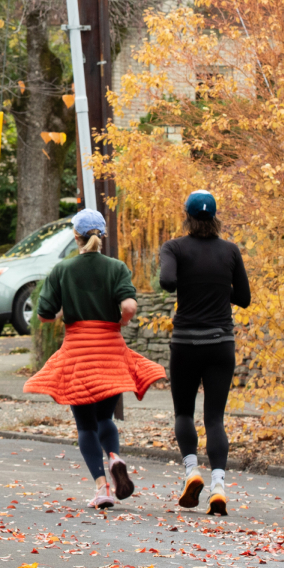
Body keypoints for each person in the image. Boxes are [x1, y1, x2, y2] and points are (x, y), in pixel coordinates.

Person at [23, 209, 166, 509]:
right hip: (110, 351)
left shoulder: (63, 270)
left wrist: (63, 313)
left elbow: (44, 315)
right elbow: (129, 305)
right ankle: (114, 456)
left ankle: (102, 489)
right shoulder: (116, 267)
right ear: (101, 235)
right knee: (105, 418)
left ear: (75, 237)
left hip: (78, 353)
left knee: (86, 426)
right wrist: (121, 321)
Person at [158, 190, 250, 516]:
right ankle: (219, 487)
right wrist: (218, 286)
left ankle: (191, 471)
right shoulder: (230, 251)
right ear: (215, 217)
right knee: (215, 418)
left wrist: (189, 279)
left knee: (184, 413)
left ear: (188, 217)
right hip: (220, 344)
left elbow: (167, 281)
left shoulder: (175, 248)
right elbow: (245, 298)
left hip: (185, 344)